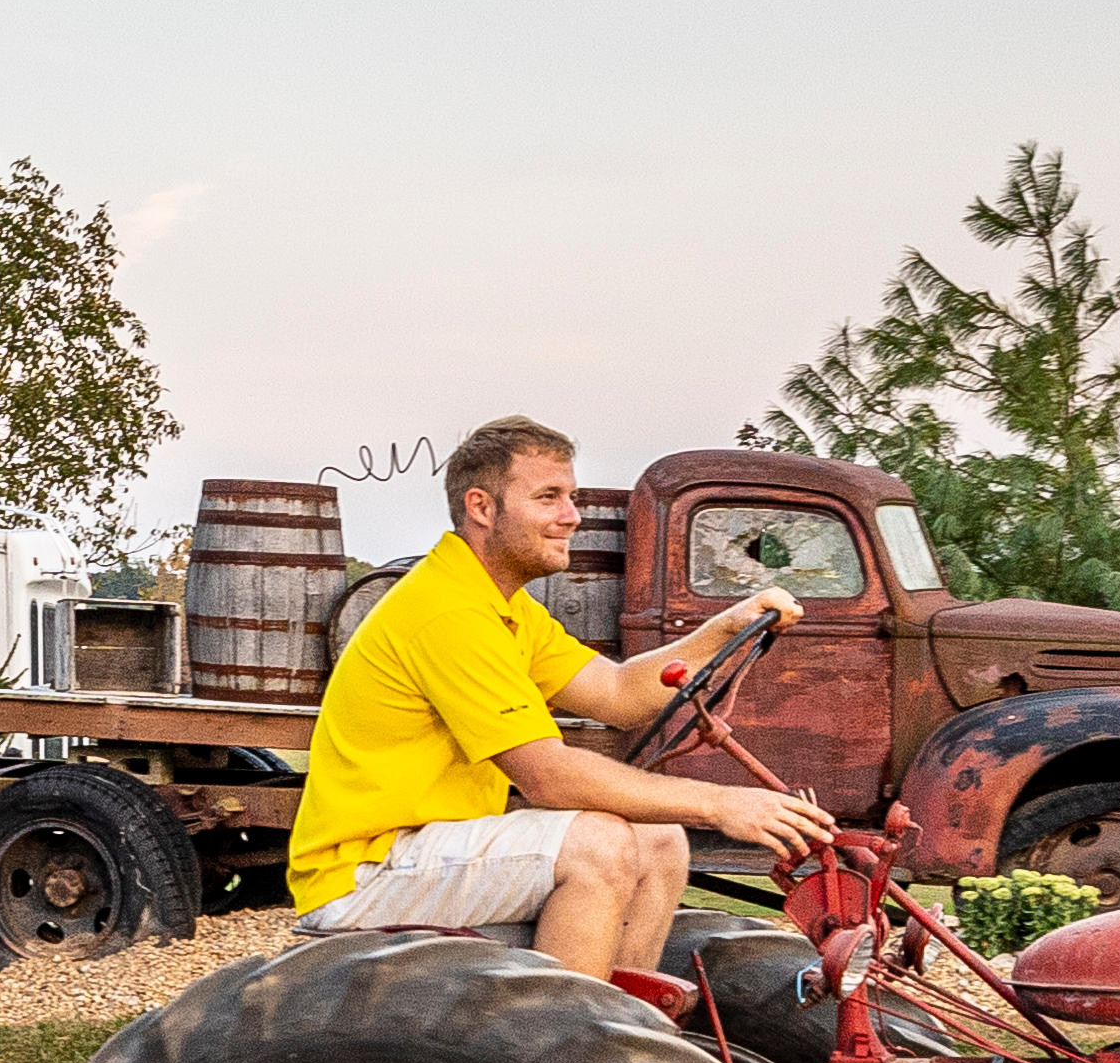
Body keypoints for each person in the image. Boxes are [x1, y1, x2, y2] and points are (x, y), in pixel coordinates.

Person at [289, 417, 833, 980]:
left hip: (427, 849)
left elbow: (619, 693)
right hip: (366, 870)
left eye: (570, 497)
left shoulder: (502, 606)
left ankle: (628, 1015)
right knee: (597, 845)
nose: (572, 516)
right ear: (481, 507)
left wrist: (726, 625)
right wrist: (721, 805)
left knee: (659, 840)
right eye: (548, 497)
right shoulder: (448, 611)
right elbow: (546, 777)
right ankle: (574, 1029)